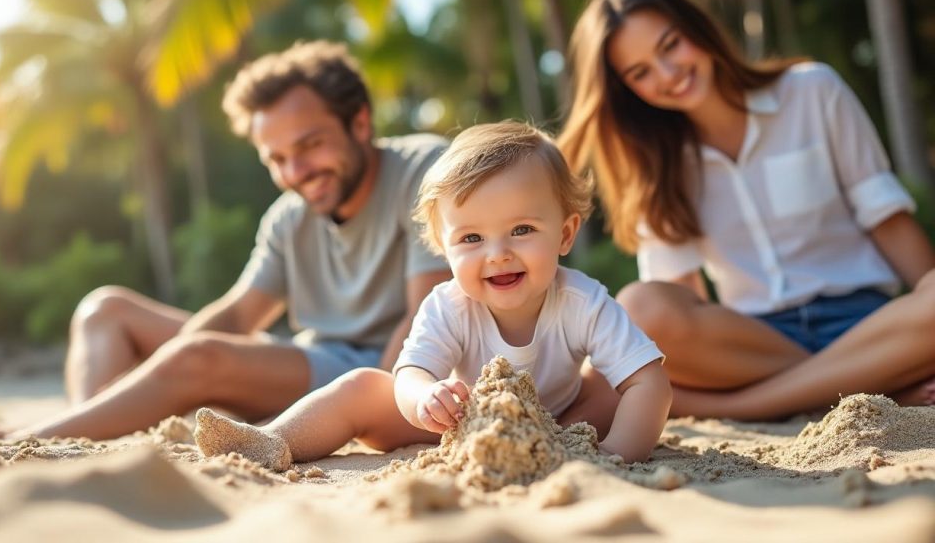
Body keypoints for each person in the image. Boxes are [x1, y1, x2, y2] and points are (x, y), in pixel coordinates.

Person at [16, 41, 452, 440]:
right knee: (105, 309)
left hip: (378, 375)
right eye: (277, 159)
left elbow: (421, 316)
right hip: (306, 359)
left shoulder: (421, 170)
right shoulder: (288, 217)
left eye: (310, 145)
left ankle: (43, 439)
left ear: (359, 122)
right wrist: (161, 377)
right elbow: (240, 314)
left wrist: (371, 406)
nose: (295, 173)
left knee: (200, 357)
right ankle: (86, 428)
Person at [191, 121, 672, 469]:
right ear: (443, 248)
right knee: (362, 385)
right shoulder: (449, 303)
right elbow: (411, 373)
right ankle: (270, 441)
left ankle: (600, 448)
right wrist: (426, 397)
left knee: (621, 380)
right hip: (457, 420)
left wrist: (612, 454)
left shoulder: (582, 300)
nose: (497, 255)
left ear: (565, 235)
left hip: (565, 418)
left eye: (522, 230)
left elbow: (652, 383)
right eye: (471, 239)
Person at [557, 0, 935, 421]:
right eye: (640, 72)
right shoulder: (651, 165)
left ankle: (760, 404)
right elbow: (674, 310)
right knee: (641, 305)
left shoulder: (813, 91)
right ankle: (882, 385)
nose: (667, 74)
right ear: (627, 90)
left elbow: (886, 219)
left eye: (670, 45)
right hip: (754, 346)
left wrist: (926, 296)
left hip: (867, 324)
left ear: (697, 29)